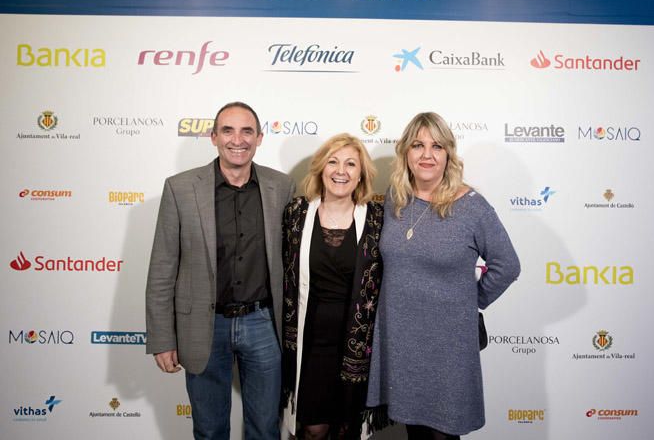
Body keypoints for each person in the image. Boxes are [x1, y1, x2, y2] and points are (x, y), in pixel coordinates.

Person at [145, 101, 296, 440]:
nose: (237, 139)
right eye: (228, 130)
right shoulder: (180, 188)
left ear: (259, 138)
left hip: (263, 324)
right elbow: (162, 269)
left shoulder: (282, 187)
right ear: (213, 137)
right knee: (210, 429)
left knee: (265, 428)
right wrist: (162, 338)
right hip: (203, 324)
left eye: (246, 131)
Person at [366, 112, 520, 440]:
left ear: (448, 153)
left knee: (443, 434)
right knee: (416, 433)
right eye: (418, 145)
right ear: (405, 152)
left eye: (436, 146)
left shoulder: (473, 207)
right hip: (402, 340)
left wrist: (469, 301)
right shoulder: (396, 199)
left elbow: (507, 265)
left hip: (449, 345)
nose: (427, 154)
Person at [281, 133, 383, 440]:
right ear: (321, 169)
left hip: (358, 345)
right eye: (334, 162)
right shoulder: (297, 214)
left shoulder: (378, 219)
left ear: (361, 173)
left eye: (351, 163)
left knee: (346, 430)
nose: (341, 171)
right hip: (310, 343)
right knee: (312, 429)